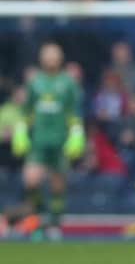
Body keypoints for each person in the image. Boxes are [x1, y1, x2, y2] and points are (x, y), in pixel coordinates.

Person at [11, 42, 85, 240]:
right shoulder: (34, 82)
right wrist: (20, 131)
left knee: (57, 185)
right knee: (31, 180)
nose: (51, 58)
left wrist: (76, 134)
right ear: (41, 58)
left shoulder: (68, 83)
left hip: (60, 141)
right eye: (48, 55)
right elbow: (26, 112)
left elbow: (74, 113)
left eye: (55, 55)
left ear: (60, 58)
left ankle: (54, 224)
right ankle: (35, 221)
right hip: (38, 142)